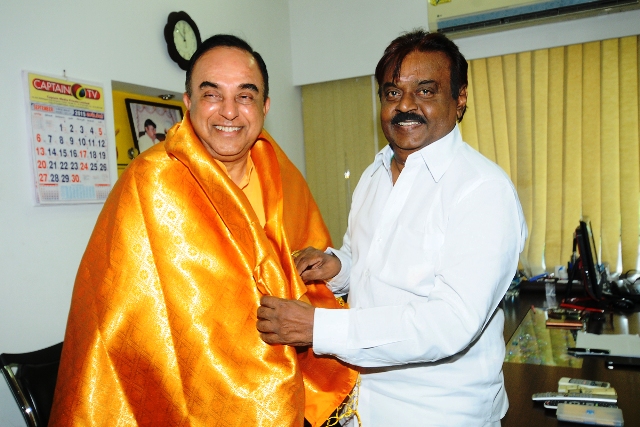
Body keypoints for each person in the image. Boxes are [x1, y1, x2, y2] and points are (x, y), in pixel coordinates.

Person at [49, 34, 356, 427]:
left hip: (290, 390)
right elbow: (115, 318)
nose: (229, 111)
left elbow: (313, 284)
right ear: (188, 103)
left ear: (264, 106)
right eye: (212, 94)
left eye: (245, 96)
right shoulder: (151, 183)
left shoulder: (280, 173)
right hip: (192, 396)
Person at [257, 29, 527, 426]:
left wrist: (318, 327)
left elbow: (450, 323)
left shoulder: (482, 189)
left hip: (438, 415)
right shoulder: (374, 175)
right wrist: (338, 267)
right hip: (359, 406)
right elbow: (366, 264)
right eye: (392, 92)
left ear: (460, 98)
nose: (405, 105)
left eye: (425, 91)